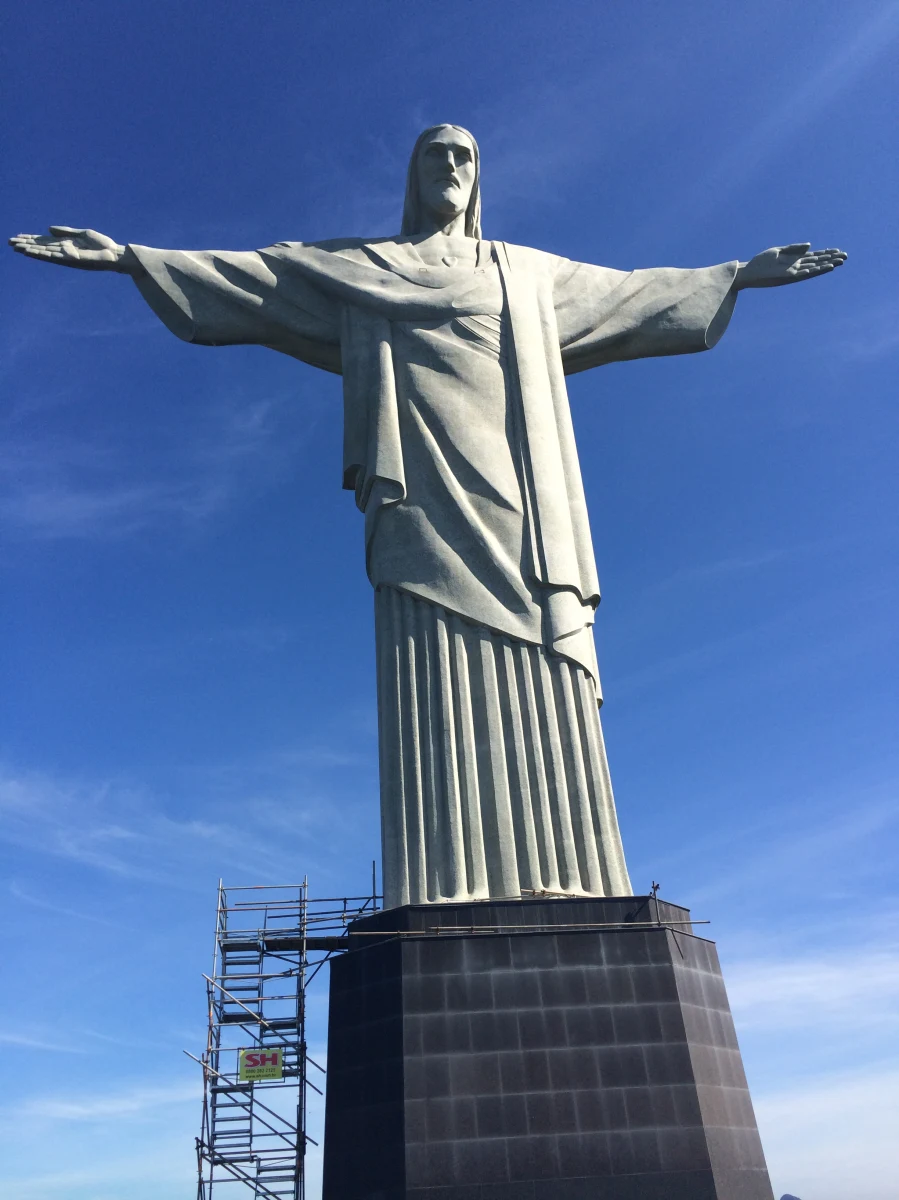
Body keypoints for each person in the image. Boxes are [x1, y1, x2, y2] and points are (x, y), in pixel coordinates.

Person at [10, 124, 846, 909]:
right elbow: (256, 278)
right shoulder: (358, 268)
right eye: (434, 156)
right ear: (412, 176)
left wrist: (733, 274)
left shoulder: (524, 273)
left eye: (463, 158)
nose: (449, 169)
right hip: (416, 490)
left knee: (546, 659)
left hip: (522, 491)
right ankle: (443, 882)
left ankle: (577, 875)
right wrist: (129, 258)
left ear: (479, 178)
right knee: (430, 661)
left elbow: (631, 294)